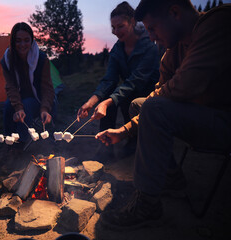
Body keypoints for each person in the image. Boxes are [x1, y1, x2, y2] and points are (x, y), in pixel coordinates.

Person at [96, 0, 231, 230]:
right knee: (141, 104)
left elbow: (186, 85)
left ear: (175, 13)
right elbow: (160, 93)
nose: (151, 36)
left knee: (152, 106)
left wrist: (140, 113)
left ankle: (147, 203)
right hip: (200, 117)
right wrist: (124, 130)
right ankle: (171, 177)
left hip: (223, 121)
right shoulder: (173, 51)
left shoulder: (218, 24)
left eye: (152, 28)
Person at [77, 1, 160, 133]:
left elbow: (136, 80)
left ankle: (133, 137)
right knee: (109, 95)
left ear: (132, 21)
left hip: (150, 91)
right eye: (113, 27)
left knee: (122, 98)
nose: (115, 32)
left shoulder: (150, 44)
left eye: (120, 26)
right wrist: (91, 102)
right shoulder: (117, 49)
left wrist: (107, 102)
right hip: (130, 89)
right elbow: (110, 79)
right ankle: (105, 145)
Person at [1, 22, 56, 144]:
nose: (22, 44)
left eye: (26, 40)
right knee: (8, 105)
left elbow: (47, 88)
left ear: (32, 41)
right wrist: (17, 107)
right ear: (13, 42)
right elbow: (11, 87)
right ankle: (9, 141)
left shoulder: (41, 59)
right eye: (18, 40)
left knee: (27, 104)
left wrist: (45, 109)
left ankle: (22, 143)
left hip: (40, 99)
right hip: (20, 96)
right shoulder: (7, 60)